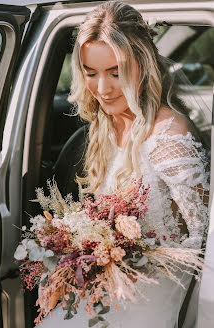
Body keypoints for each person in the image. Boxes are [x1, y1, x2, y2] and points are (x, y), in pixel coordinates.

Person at [35, 1, 210, 327]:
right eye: (91, 73)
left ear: (143, 65)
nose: (102, 89)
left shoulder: (169, 135)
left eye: (116, 72)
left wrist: (132, 258)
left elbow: (204, 238)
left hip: (155, 289)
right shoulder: (103, 125)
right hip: (107, 282)